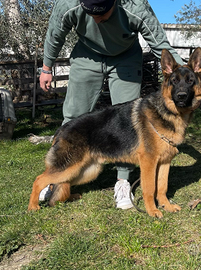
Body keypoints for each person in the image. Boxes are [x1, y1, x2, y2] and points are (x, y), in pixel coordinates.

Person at [39, 0, 183, 209]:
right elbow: (55, 33)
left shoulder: (136, 7)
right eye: (92, 15)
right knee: (73, 115)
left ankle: (123, 182)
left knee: (127, 123)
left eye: (103, 15)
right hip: (86, 55)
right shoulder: (67, 4)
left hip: (124, 57)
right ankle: (57, 180)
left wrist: (186, 72)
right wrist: (46, 67)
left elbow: (160, 44)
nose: (97, 21)